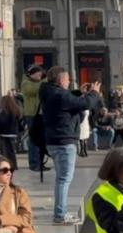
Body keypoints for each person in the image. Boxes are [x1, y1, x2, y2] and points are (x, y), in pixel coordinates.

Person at [40, 66, 102, 224]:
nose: (69, 82)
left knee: (61, 178)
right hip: (64, 141)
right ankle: (60, 214)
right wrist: (94, 93)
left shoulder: (49, 92)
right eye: (68, 79)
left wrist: (79, 93)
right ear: (61, 80)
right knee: (63, 179)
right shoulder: (60, 95)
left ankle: (60, 211)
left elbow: (70, 101)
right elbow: (84, 104)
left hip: (54, 140)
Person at [21, 65, 46, 171]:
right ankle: (34, 163)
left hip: (41, 114)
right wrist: (45, 81)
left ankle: (40, 162)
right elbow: (34, 90)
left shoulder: (41, 83)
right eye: (38, 74)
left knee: (41, 140)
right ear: (32, 74)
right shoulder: (26, 83)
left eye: (41, 74)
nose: (40, 76)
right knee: (33, 140)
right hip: (31, 114)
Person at [0, 95, 22, 170]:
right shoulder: (15, 110)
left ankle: (10, 165)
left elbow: (2, 123)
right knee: (11, 151)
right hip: (13, 133)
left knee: (6, 151)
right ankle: (13, 165)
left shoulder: (5, 112)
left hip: (5, 133)